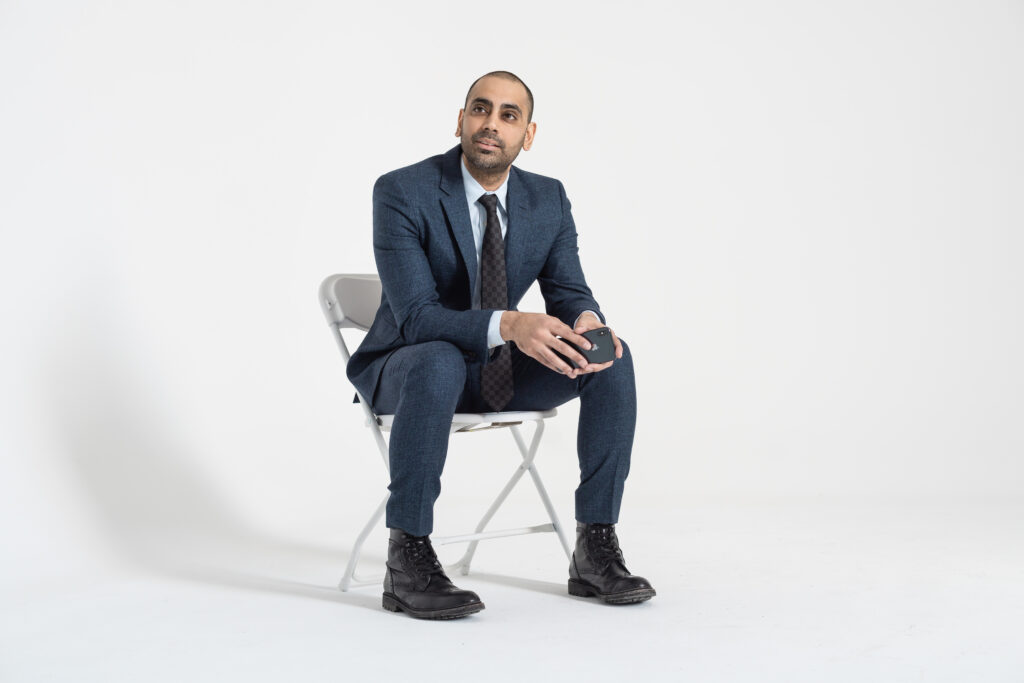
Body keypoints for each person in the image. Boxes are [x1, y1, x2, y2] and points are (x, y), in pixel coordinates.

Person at [347, 71, 655, 619]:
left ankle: (595, 548)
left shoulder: (548, 199)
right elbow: (418, 318)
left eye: (508, 115)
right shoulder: (401, 191)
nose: (492, 124)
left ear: (527, 134)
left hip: (494, 370)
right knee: (439, 358)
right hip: (407, 366)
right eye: (480, 109)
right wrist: (512, 324)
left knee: (609, 361)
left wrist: (587, 322)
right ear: (461, 119)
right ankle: (408, 557)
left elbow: (569, 291)